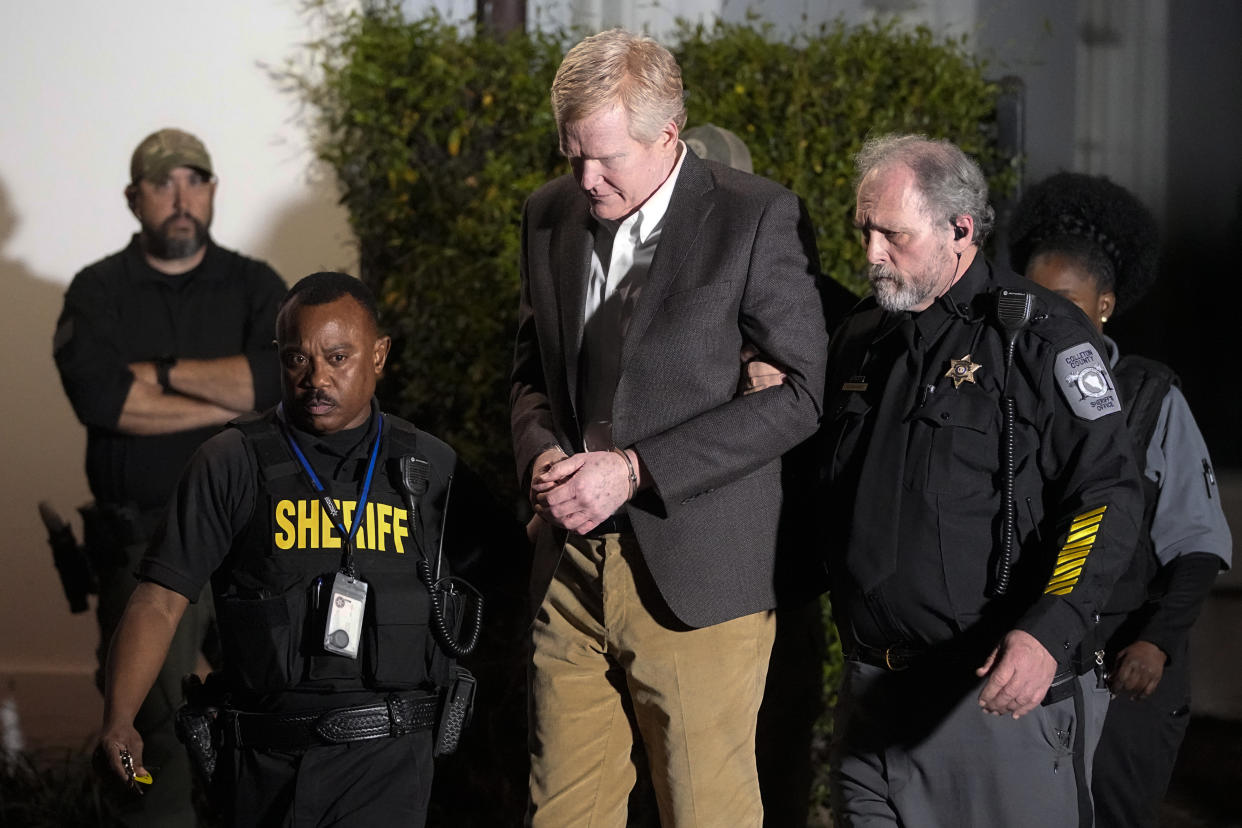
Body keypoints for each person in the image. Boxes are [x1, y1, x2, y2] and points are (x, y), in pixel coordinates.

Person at [509, 29, 829, 826]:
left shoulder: (756, 217)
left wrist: (634, 470)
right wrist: (541, 452)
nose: (586, 178)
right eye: (571, 151)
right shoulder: (547, 214)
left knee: (706, 814)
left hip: (697, 580)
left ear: (669, 136)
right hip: (570, 570)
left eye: (607, 157)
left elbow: (802, 396)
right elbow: (528, 377)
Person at [97, 271, 502, 826]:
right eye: (296, 359)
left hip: (388, 762)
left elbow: (508, 574)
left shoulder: (429, 467)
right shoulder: (232, 462)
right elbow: (159, 599)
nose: (316, 378)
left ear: (379, 355)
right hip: (263, 765)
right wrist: (120, 719)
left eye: (338, 357)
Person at [819, 134, 1143, 827]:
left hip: (991, 706)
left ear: (960, 228)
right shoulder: (863, 339)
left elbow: (1106, 497)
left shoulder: (1042, 340)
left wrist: (1047, 631)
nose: (872, 254)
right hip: (872, 701)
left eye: (893, 235)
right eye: (865, 231)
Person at [53, 127, 286, 826]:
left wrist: (154, 376)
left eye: (194, 181)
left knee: (270, 720)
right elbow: (101, 401)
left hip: (253, 544)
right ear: (134, 199)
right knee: (157, 726)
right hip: (143, 543)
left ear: (212, 192)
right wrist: (225, 401)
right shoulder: (98, 291)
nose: (180, 199)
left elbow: (274, 387)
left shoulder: (257, 285)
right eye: (162, 184)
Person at [1008, 171, 1232, 828]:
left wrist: (1156, 643)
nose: (1048, 320)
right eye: (1034, 300)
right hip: (1028, 659)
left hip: (1122, 664)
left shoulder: (1150, 399)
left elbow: (1198, 542)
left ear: (1104, 305)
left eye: (1067, 302)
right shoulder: (1002, 393)